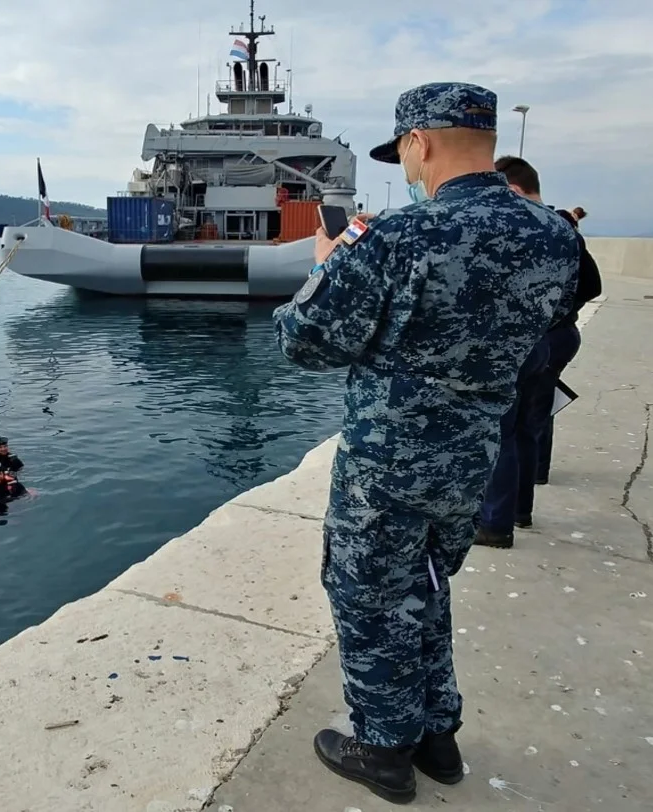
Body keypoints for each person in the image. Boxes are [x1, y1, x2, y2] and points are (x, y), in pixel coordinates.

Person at [272, 82, 580, 804]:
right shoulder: (552, 233)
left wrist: (325, 265)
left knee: (369, 594)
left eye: (403, 151)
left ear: (421, 141)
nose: (406, 167)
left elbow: (306, 343)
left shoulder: (395, 236)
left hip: (389, 458)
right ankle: (437, 733)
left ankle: (381, 745)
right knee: (427, 587)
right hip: (472, 454)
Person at [472, 157, 601, 547]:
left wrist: (536, 320)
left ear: (510, 190)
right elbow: (590, 285)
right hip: (554, 339)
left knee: (502, 430)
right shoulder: (561, 230)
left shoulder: (530, 229)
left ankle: (495, 522)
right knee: (530, 427)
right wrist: (554, 316)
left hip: (532, 341)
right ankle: (520, 509)